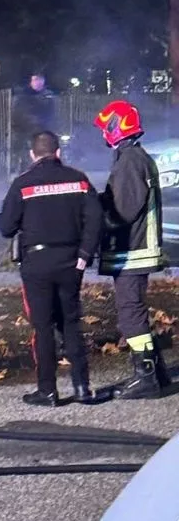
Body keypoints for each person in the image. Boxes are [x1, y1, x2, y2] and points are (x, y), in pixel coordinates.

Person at [0, 131, 103, 406]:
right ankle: (82, 387)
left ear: (32, 155)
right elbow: (95, 219)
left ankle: (48, 390)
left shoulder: (22, 184)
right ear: (58, 152)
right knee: (71, 322)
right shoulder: (79, 180)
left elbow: (6, 227)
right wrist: (85, 255)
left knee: (43, 327)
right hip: (71, 261)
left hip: (36, 263)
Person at [93, 100, 171, 400]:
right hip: (138, 248)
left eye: (106, 128)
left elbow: (123, 211)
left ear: (117, 126)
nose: (103, 134)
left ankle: (146, 377)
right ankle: (157, 374)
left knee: (130, 314)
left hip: (133, 251)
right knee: (134, 311)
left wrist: (96, 214)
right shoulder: (135, 157)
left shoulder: (129, 161)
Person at [11, 72, 59, 174]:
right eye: (35, 80)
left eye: (40, 80)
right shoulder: (23, 96)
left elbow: (53, 114)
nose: (38, 82)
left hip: (44, 133)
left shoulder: (48, 96)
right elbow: (18, 115)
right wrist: (32, 124)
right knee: (27, 159)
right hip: (26, 133)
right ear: (31, 81)